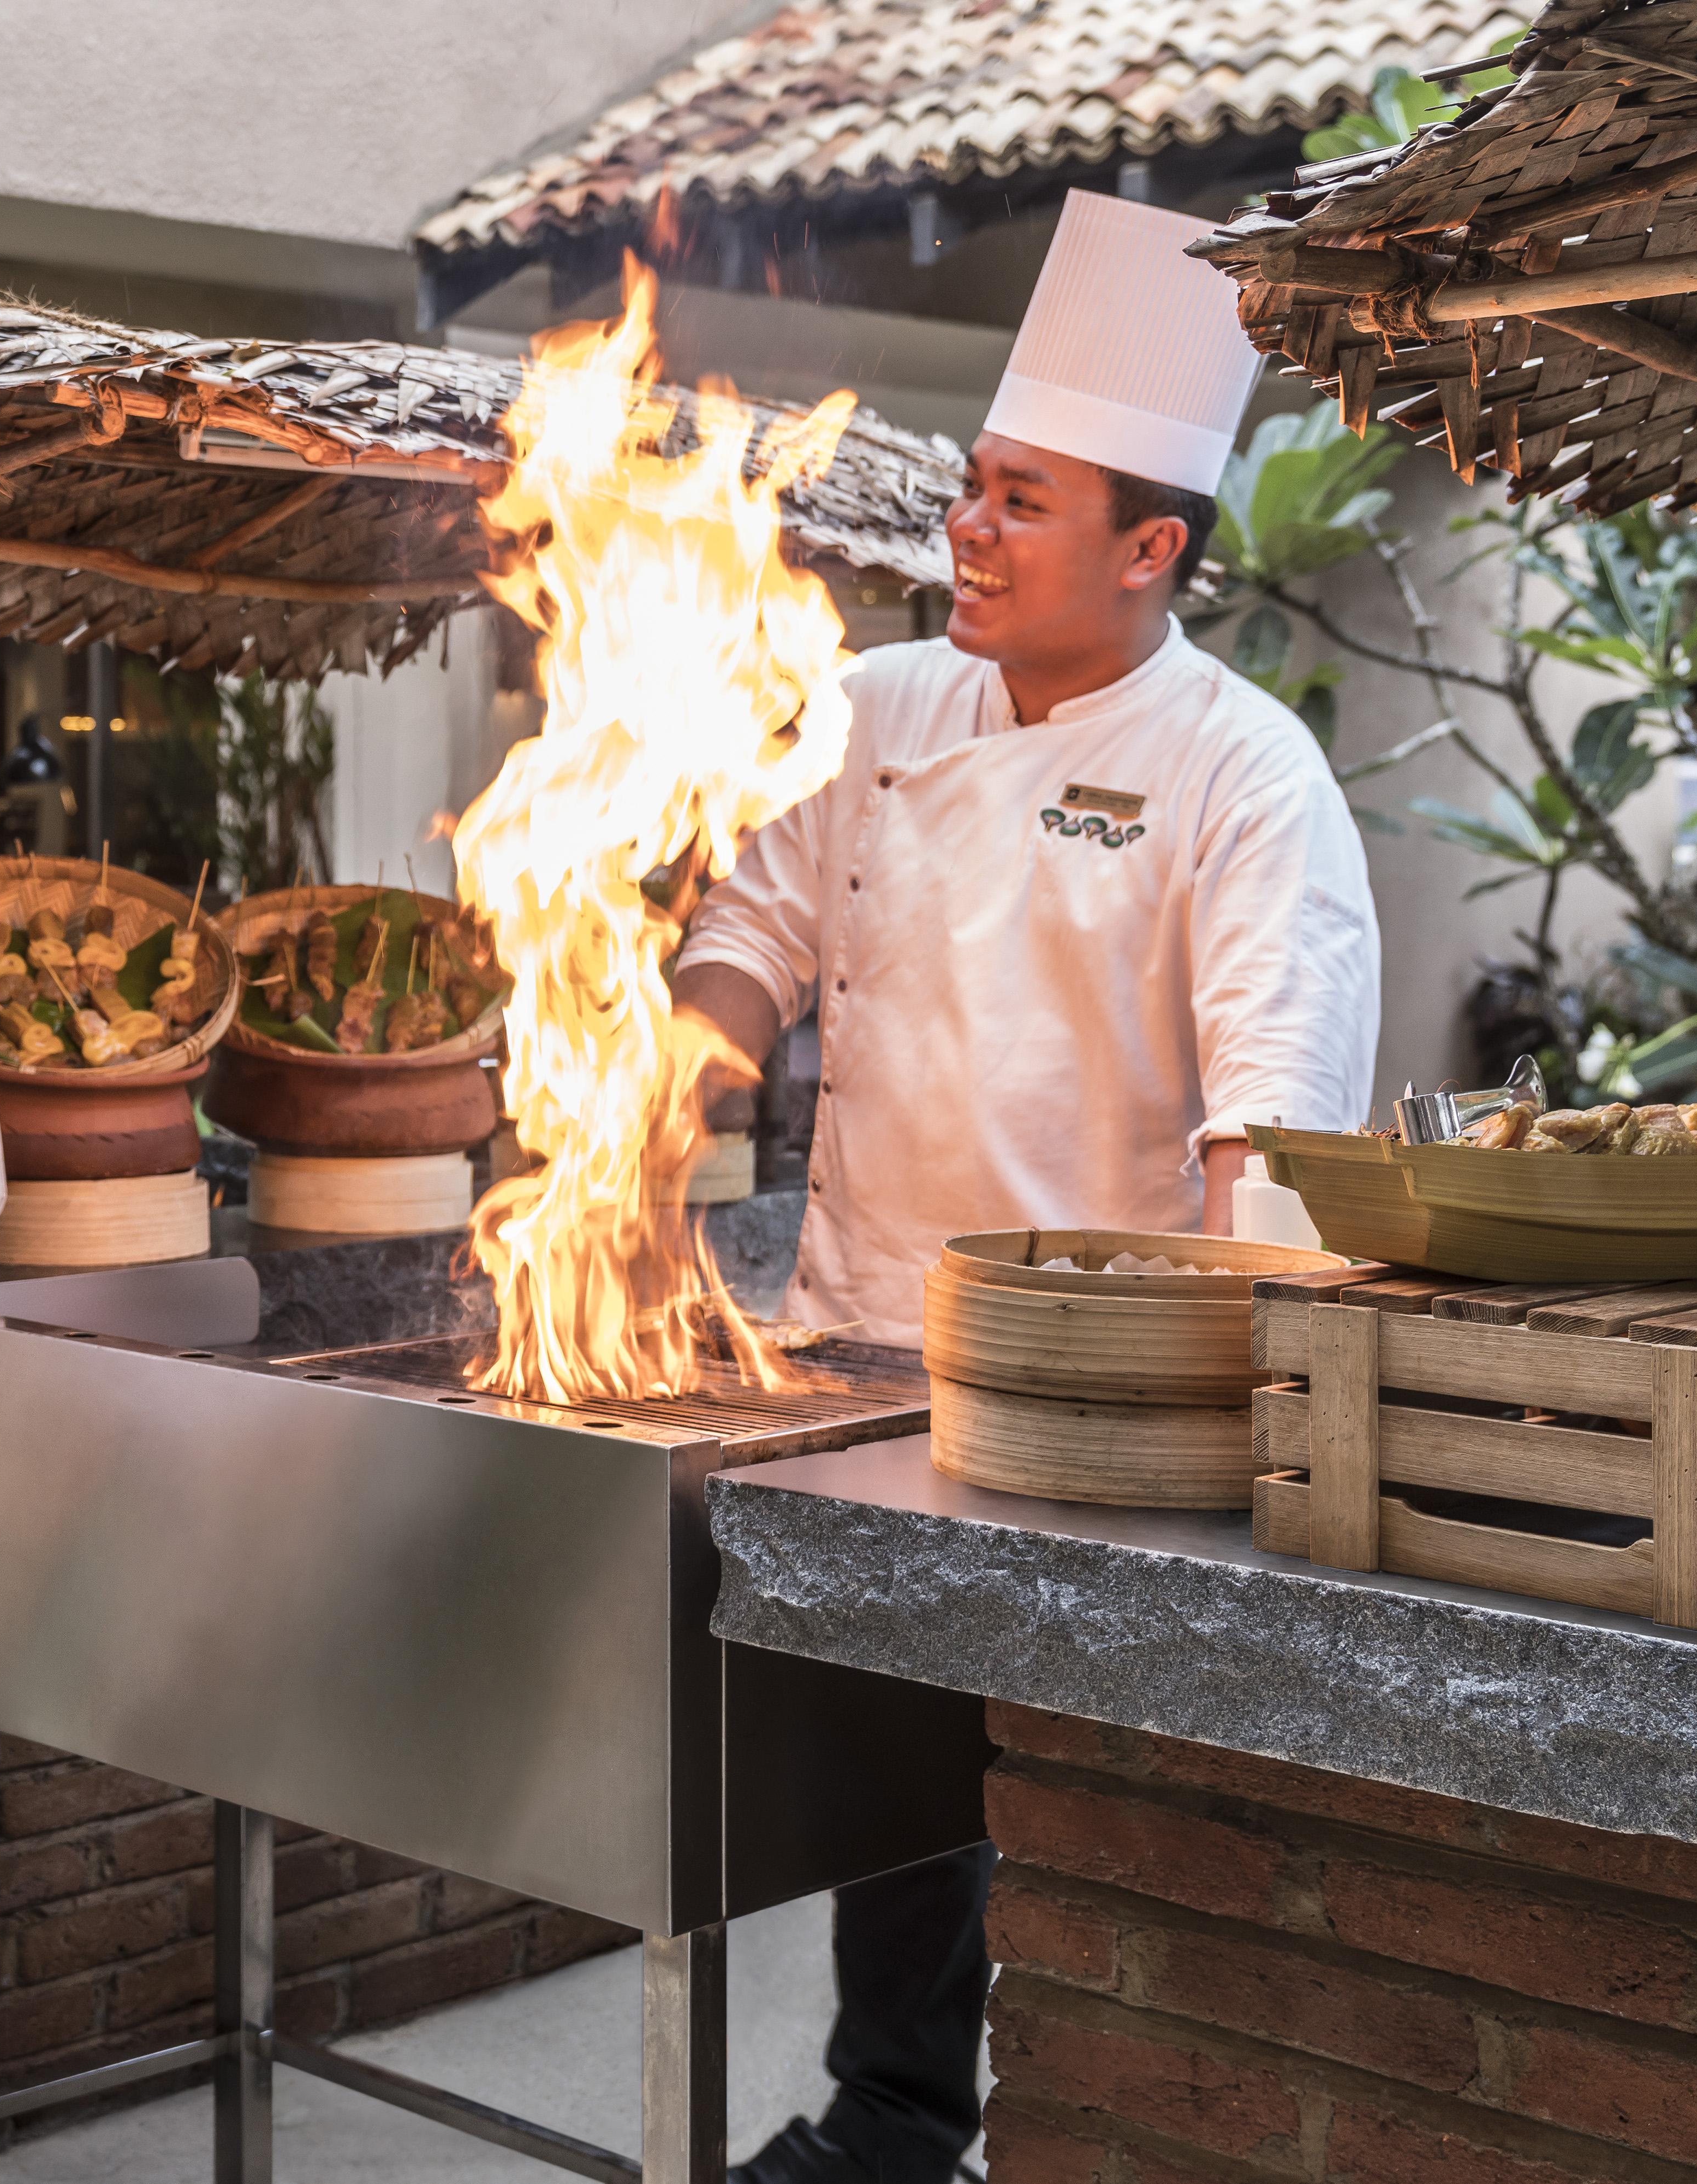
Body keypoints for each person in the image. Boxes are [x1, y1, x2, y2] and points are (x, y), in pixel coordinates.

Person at [677, 193, 1379, 2184]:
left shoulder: (1252, 779)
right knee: (902, 1793)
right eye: (974, 490)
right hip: (858, 1342)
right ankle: (898, 2127)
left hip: (1108, 1397)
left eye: (1020, 500)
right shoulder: (884, 710)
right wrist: (633, 1113)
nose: (963, 531)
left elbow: (1271, 1128)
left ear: (1151, 549)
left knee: (1076, 1800)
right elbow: (748, 942)